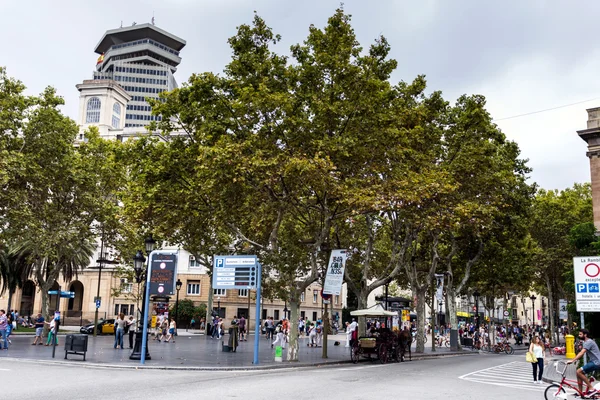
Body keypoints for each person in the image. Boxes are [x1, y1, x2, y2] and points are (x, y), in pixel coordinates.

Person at [568, 329, 600, 396]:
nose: (579, 336)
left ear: (585, 335)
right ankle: (580, 392)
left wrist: (572, 360)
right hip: (593, 361)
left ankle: (591, 388)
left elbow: (582, 353)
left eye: (580, 334)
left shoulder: (589, 342)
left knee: (578, 371)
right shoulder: (586, 342)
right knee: (579, 373)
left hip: (596, 362)